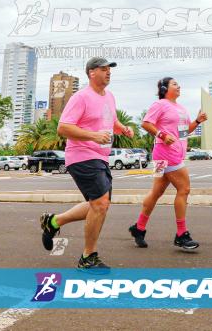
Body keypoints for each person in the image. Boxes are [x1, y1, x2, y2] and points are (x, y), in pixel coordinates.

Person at [39, 57, 133, 271]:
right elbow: (63, 128)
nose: (108, 72)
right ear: (91, 73)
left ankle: (53, 222)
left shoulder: (109, 96)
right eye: (103, 69)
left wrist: (123, 128)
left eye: (110, 69)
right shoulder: (81, 97)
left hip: (100, 157)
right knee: (100, 204)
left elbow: (112, 122)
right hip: (81, 156)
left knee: (98, 204)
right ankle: (88, 257)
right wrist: (93, 136)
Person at [129, 77, 207, 251]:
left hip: (168, 155)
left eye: (179, 83)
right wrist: (162, 135)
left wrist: (198, 121)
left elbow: (183, 132)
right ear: (165, 88)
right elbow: (146, 123)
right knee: (184, 189)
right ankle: (181, 234)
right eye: (174, 84)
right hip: (165, 153)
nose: (179, 86)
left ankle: (139, 228)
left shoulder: (181, 108)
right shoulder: (160, 104)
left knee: (156, 192)